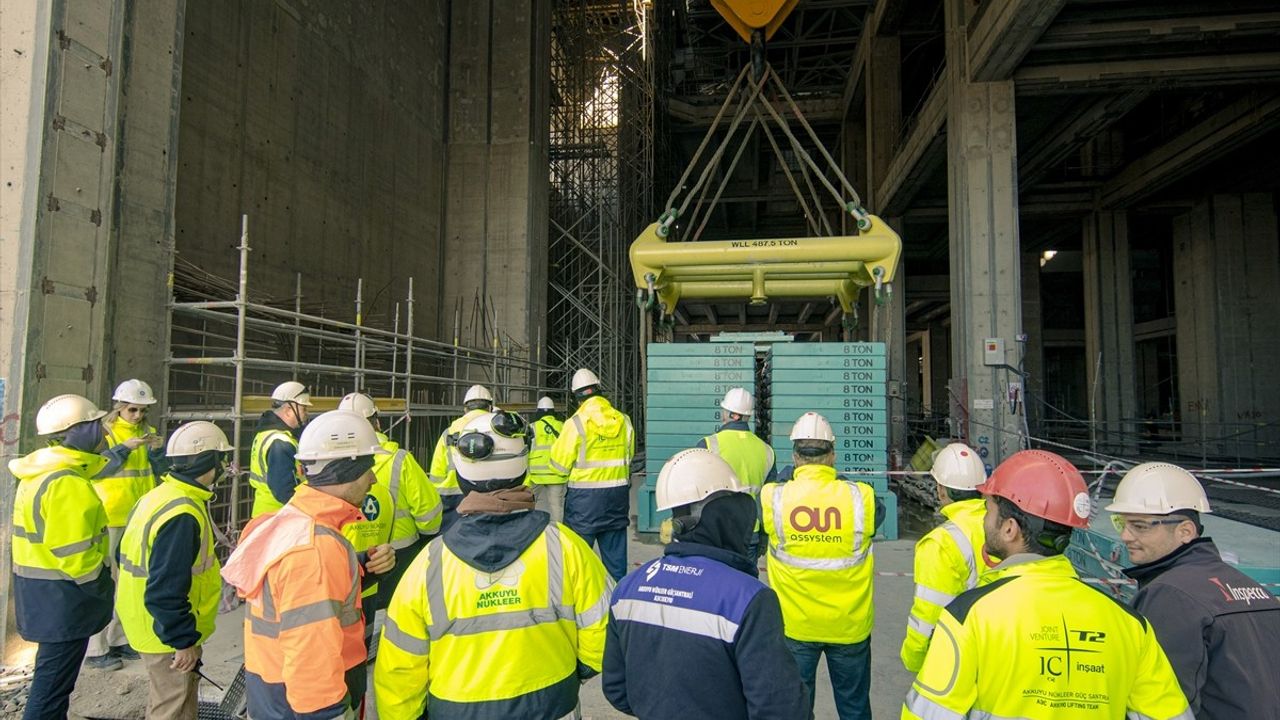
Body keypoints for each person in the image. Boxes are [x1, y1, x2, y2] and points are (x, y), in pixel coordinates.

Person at [903, 450, 1193, 720]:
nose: (983, 520)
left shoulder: (969, 618)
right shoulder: (1130, 625)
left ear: (1010, 529)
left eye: (988, 510)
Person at [374, 410, 612, 719]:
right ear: (523, 466)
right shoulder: (565, 547)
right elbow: (603, 631)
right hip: (552, 704)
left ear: (460, 474)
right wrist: (571, 674)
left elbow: (399, 669)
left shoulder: (429, 565)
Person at [603, 448, 810, 720]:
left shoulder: (627, 590)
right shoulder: (749, 599)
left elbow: (617, 689)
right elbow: (782, 710)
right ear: (724, 513)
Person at [222, 410, 395, 719]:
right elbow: (310, 656)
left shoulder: (292, 521)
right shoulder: (315, 550)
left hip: (274, 693)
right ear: (345, 470)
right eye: (369, 468)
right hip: (304, 705)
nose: (374, 478)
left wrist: (361, 566)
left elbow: (294, 597)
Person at [1107, 462, 1280, 717]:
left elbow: (1161, 700)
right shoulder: (1254, 590)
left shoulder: (1170, 594)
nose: (1125, 536)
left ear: (1185, 531)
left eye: (1140, 526)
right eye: (1121, 523)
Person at [761, 412, 881, 720]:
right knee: (854, 708)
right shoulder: (861, 497)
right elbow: (875, 517)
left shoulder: (774, 498)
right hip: (850, 626)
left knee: (795, 709)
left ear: (796, 457)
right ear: (832, 456)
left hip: (796, 625)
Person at [8, 395, 115, 720]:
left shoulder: (41, 472)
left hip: (43, 596)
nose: (103, 430)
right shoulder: (66, 483)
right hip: (64, 601)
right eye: (97, 424)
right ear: (77, 430)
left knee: (52, 684)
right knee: (51, 691)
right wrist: (103, 588)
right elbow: (76, 556)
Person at [116, 421, 231, 720]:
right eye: (223, 459)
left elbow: (122, 554)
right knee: (172, 707)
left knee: (174, 702)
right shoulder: (182, 513)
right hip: (164, 633)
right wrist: (183, 640)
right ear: (210, 462)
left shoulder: (158, 496)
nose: (226, 466)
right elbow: (165, 590)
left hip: (147, 623)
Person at [85, 378, 167, 670]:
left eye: (143, 410)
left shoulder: (149, 432)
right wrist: (125, 449)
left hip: (138, 516)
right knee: (103, 582)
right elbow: (95, 469)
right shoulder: (104, 434)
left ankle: (120, 640)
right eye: (133, 410)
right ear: (119, 407)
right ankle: (96, 648)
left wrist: (157, 452)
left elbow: (157, 472)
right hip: (110, 516)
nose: (138, 416)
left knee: (130, 582)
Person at [338, 392, 443, 594]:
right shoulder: (399, 459)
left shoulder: (330, 461)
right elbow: (429, 514)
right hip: (399, 555)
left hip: (348, 556)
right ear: (375, 422)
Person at [900, 442, 992, 673]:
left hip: (961, 653)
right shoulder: (1004, 527)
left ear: (941, 489)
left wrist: (914, 658)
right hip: (1003, 647)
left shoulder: (941, 543)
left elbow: (928, 613)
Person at [548, 368, 635, 581]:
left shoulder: (575, 423)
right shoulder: (623, 421)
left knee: (577, 562)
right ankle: (616, 605)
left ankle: (582, 608)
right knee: (616, 566)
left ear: (576, 396)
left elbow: (558, 466)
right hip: (616, 499)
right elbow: (629, 456)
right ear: (599, 389)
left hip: (584, 505)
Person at [427, 384, 494, 525]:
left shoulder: (450, 432)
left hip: (453, 498)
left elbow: (437, 471)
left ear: (465, 408)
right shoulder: (497, 430)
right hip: (491, 494)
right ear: (490, 407)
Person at [247, 380, 312, 518]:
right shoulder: (281, 442)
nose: (306, 414)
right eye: (303, 409)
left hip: (265, 513)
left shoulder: (264, 433)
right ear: (288, 411)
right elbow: (284, 491)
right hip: (279, 516)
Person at [525, 395, 567, 522]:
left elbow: (525, 449)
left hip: (536, 475)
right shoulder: (563, 426)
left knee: (528, 504)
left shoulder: (531, 427)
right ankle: (558, 534)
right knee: (557, 508)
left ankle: (529, 529)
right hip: (556, 473)